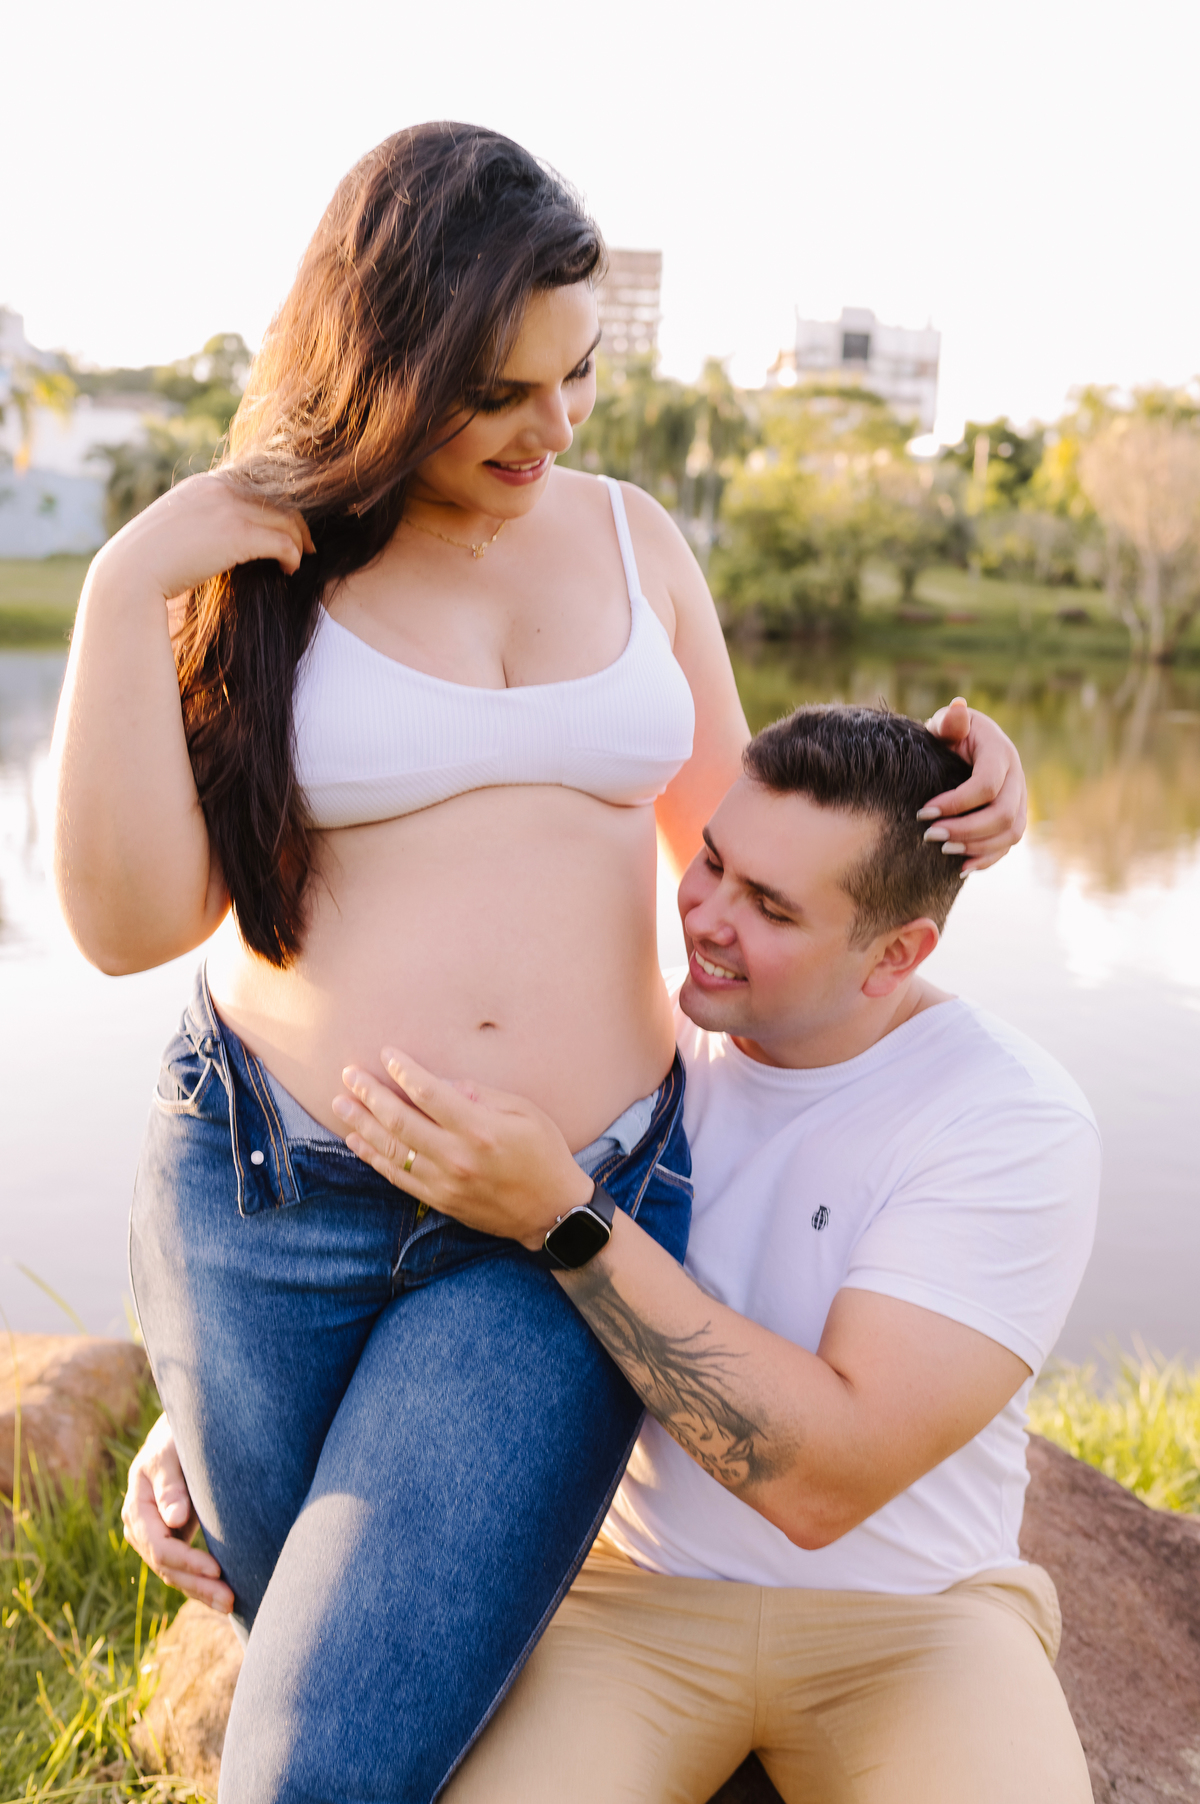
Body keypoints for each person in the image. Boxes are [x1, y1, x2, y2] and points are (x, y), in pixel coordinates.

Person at [74, 126, 1025, 1801]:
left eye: (577, 377)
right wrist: (122, 583)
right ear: (389, 366)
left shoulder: (637, 541)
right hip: (262, 1201)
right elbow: (129, 924)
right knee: (359, 1695)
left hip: (548, 1223)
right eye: (503, 392)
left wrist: (943, 804)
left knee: (317, 1766)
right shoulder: (260, 562)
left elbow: (748, 854)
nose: (556, 426)